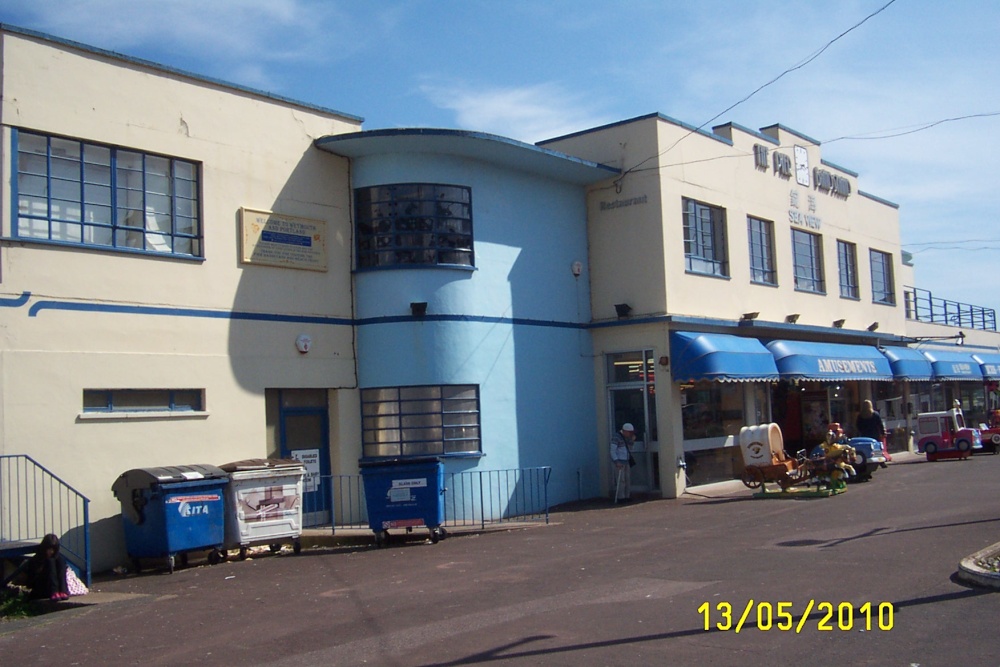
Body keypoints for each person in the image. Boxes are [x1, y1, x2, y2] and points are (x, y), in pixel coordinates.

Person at [25, 534, 69, 601]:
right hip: (41, 588)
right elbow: (31, 581)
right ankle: (54, 591)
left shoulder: (57, 559)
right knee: (50, 562)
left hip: (56, 587)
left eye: (53, 550)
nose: (51, 552)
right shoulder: (36, 559)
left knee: (61, 560)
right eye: (49, 549)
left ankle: (63, 590)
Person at [856, 399, 890, 464]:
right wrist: (882, 433)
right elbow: (880, 424)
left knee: (866, 447)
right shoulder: (875, 414)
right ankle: (879, 461)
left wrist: (861, 432)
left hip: (865, 434)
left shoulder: (860, 416)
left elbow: (858, 426)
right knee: (876, 447)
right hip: (874, 433)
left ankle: (868, 458)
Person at [610, 423, 636, 502]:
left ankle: (627, 496)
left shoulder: (628, 438)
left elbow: (630, 448)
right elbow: (612, 450)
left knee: (627, 479)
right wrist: (616, 461)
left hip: (626, 461)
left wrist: (632, 440)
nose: (630, 434)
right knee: (621, 480)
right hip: (619, 462)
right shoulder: (616, 437)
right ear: (624, 431)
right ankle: (621, 497)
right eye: (629, 432)